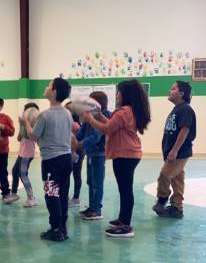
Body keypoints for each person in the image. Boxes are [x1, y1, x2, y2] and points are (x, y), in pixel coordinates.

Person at [83, 80, 151, 238]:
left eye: (118, 92)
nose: (116, 95)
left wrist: (90, 119)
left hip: (125, 155)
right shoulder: (127, 111)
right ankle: (122, 219)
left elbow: (106, 129)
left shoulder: (124, 111)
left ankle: (126, 226)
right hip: (128, 154)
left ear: (126, 94)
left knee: (126, 190)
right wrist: (99, 115)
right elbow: (112, 125)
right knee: (124, 189)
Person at [20, 77, 72, 242]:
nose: (46, 87)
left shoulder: (44, 115)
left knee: (51, 194)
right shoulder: (67, 113)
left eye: (49, 85)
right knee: (62, 194)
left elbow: (33, 136)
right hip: (66, 159)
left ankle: (56, 229)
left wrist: (26, 122)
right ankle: (62, 227)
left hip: (51, 162)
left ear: (54, 92)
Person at [152, 81, 196, 218]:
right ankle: (177, 208)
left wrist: (175, 150)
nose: (169, 91)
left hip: (180, 152)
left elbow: (185, 129)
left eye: (173, 89)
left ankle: (162, 199)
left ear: (181, 93)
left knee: (164, 175)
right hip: (175, 152)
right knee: (177, 179)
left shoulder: (185, 109)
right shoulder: (177, 109)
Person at [77, 91, 111, 220]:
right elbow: (81, 132)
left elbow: (96, 137)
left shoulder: (104, 116)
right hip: (90, 153)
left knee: (97, 182)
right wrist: (73, 139)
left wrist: (79, 145)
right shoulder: (89, 117)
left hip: (99, 154)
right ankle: (92, 207)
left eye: (89, 101)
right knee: (90, 181)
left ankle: (97, 209)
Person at [11, 102, 39, 207]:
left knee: (23, 175)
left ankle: (31, 197)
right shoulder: (24, 126)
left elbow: (31, 136)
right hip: (22, 153)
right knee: (15, 171)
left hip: (27, 154)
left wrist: (26, 124)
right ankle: (13, 193)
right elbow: (19, 138)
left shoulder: (33, 126)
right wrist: (21, 126)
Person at [65, 101, 84, 207]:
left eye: (69, 109)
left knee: (76, 174)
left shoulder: (76, 123)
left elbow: (78, 138)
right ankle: (65, 197)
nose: (66, 110)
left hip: (77, 151)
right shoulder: (65, 121)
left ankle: (76, 198)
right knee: (66, 174)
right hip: (68, 150)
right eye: (66, 108)